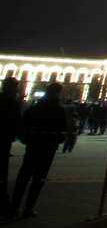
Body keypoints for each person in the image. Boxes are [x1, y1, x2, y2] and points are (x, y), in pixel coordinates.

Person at [8, 82, 68, 219]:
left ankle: (14, 207)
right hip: (48, 148)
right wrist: (57, 140)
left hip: (33, 147)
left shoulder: (35, 108)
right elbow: (62, 130)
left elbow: (23, 125)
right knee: (39, 179)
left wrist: (27, 140)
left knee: (23, 177)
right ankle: (28, 208)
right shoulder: (58, 110)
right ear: (58, 93)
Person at [1, 77, 21, 215]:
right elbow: (17, 122)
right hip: (3, 141)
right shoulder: (12, 103)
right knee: (2, 173)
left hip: (5, 140)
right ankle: (3, 204)